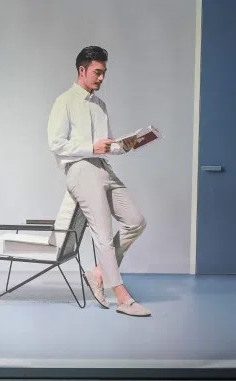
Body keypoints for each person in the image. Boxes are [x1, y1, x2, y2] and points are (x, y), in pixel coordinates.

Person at [47, 45, 151, 317]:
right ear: (82, 70)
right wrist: (92, 148)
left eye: (104, 73)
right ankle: (122, 298)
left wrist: (125, 145)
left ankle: (97, 274)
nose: (102, 78)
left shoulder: (100, 106)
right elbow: (56, 144)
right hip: (80, 170)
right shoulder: (64, 101)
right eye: (98, 72)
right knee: (102, 235)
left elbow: (107, 145)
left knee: (136, 221)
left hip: (103, 167)